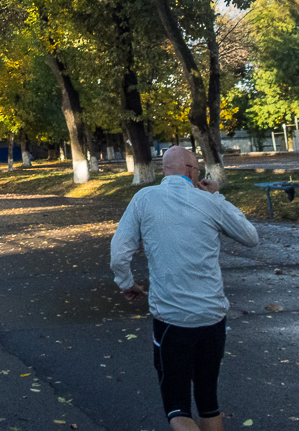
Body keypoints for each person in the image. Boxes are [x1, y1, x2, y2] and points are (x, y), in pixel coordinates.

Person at [110, 146, 259, 431]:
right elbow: (250, 237)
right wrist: (216, 196)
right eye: (198, 169)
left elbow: (119, 251)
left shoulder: (144, 199)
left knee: (178, 410)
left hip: (172, 321)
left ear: (164, 170)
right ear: (191, 170)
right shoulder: (209, 202)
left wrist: (126, 283)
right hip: (212, 319)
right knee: (208, 401)